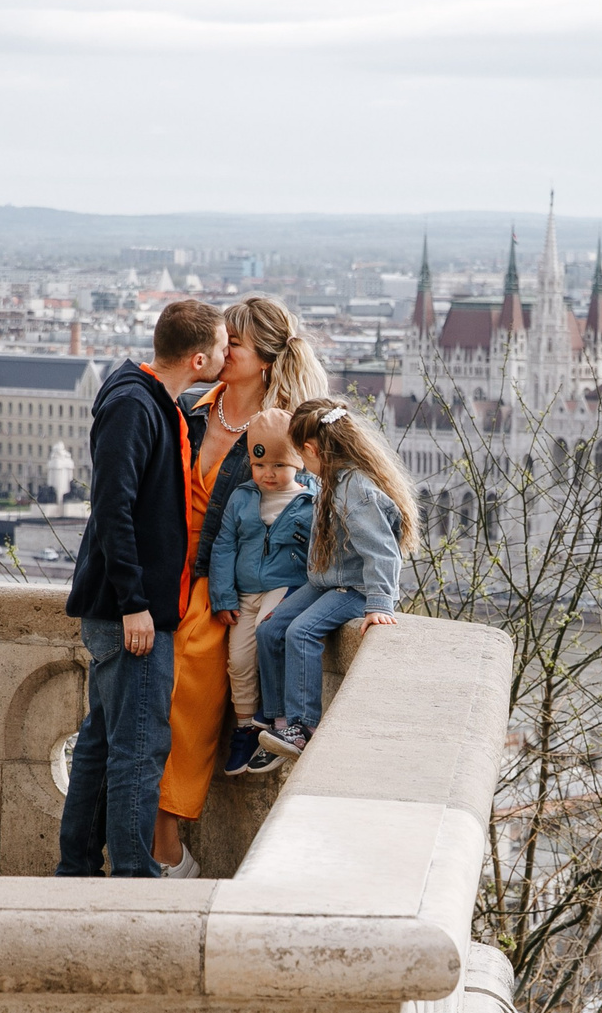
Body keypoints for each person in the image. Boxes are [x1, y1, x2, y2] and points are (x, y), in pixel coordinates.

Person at [153, 296, 328, 869]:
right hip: (168, 567)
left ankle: (167, 837)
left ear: (267, 361)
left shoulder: (284, 434)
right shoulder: (186, 406)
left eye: (236, 344)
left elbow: (320, 511)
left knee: (191, 669)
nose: (222, 350)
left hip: (222, 580)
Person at [56, 299, 227, 878]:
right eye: (224, 348)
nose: (228, 357)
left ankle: (76, 870)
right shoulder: (135, 402)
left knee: (103, 745)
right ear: (199, 357)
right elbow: (113, 508)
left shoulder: (150, 397)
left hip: (134, 609)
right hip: (132, 614)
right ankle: (133, 880)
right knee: (139, 749)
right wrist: (135, 605)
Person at [256, 399, 418, 760]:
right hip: (327, 580)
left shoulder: (354, 490)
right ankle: (279, 720)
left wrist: (379, 604)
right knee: (269, 629)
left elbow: (382, 551)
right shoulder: (330, 478)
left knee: (301, 632)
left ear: (311, 450)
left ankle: (302, 726)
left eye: (301, 454)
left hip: (355, 587)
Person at [208, 408, 315, 777]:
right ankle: (244, 729)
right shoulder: (242, 498)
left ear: (298, 462)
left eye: (278, 465)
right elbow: (223, 547)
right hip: (243, 592)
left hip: (284, 587)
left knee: (265, 637)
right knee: (237, 660)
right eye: (260, 465)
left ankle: (270, 721)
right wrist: (222, 597)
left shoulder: (311, 502)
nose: (268, 474)